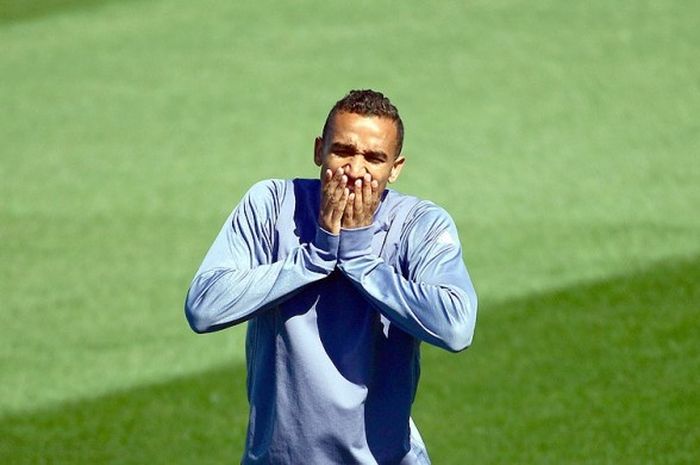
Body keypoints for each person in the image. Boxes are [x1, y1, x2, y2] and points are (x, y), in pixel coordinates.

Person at [185, 89, 477, 465]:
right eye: (343, 151)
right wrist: (315, 258)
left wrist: (359, 261)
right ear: (319, 150)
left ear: (396, 167)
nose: (356, 171)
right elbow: (204, 308)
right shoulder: (272, 205)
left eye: (374, 158)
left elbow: (455, 328)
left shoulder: (419, 225)